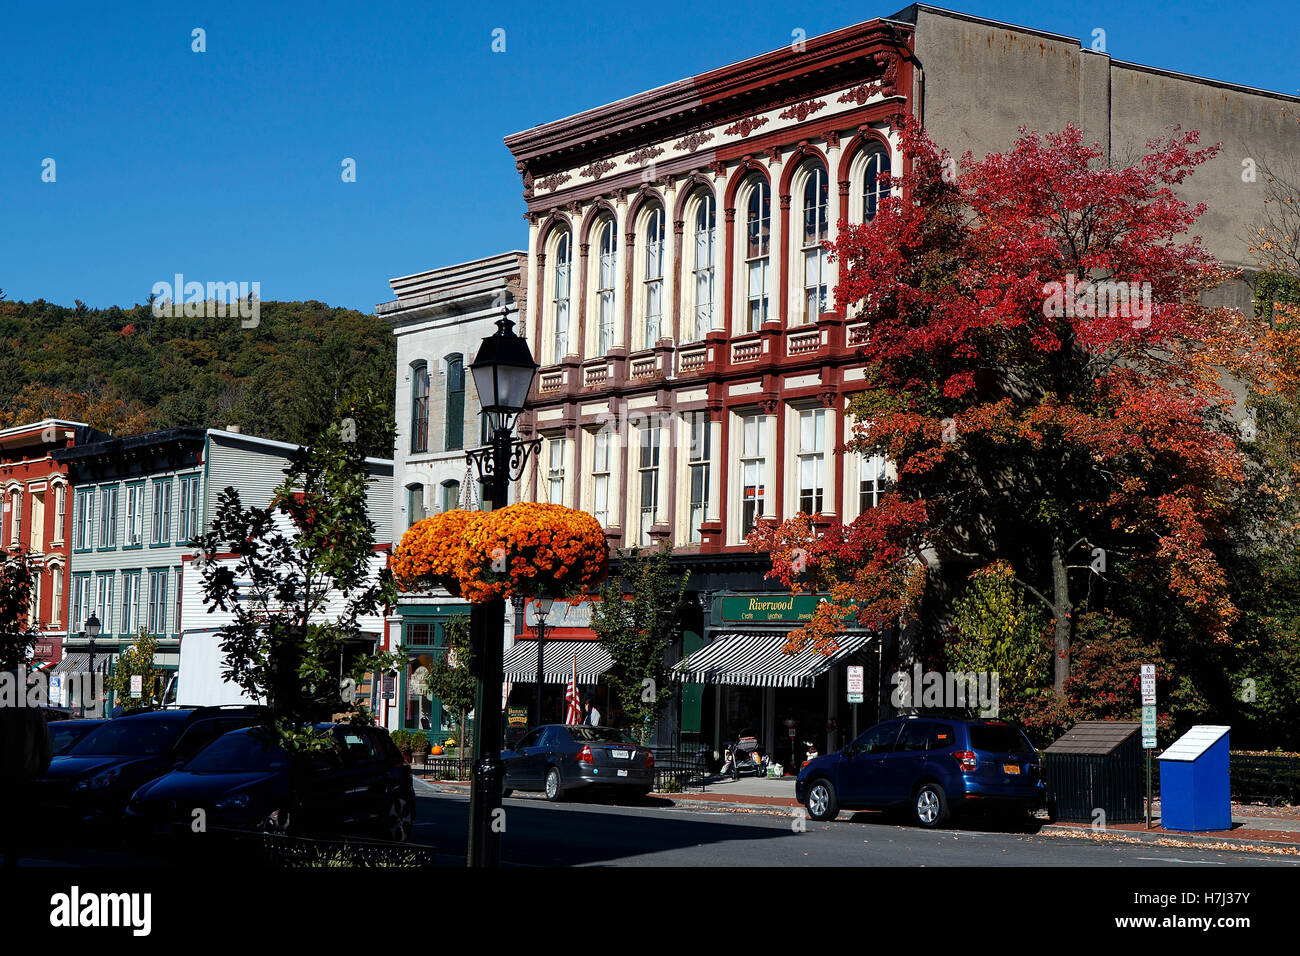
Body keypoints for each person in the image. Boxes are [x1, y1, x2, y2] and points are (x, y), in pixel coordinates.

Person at [0, 704, 53, 868]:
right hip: (23, 776)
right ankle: (11, 858)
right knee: (16, 823)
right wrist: (41, 769)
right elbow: (45, 744)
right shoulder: (32, 709)